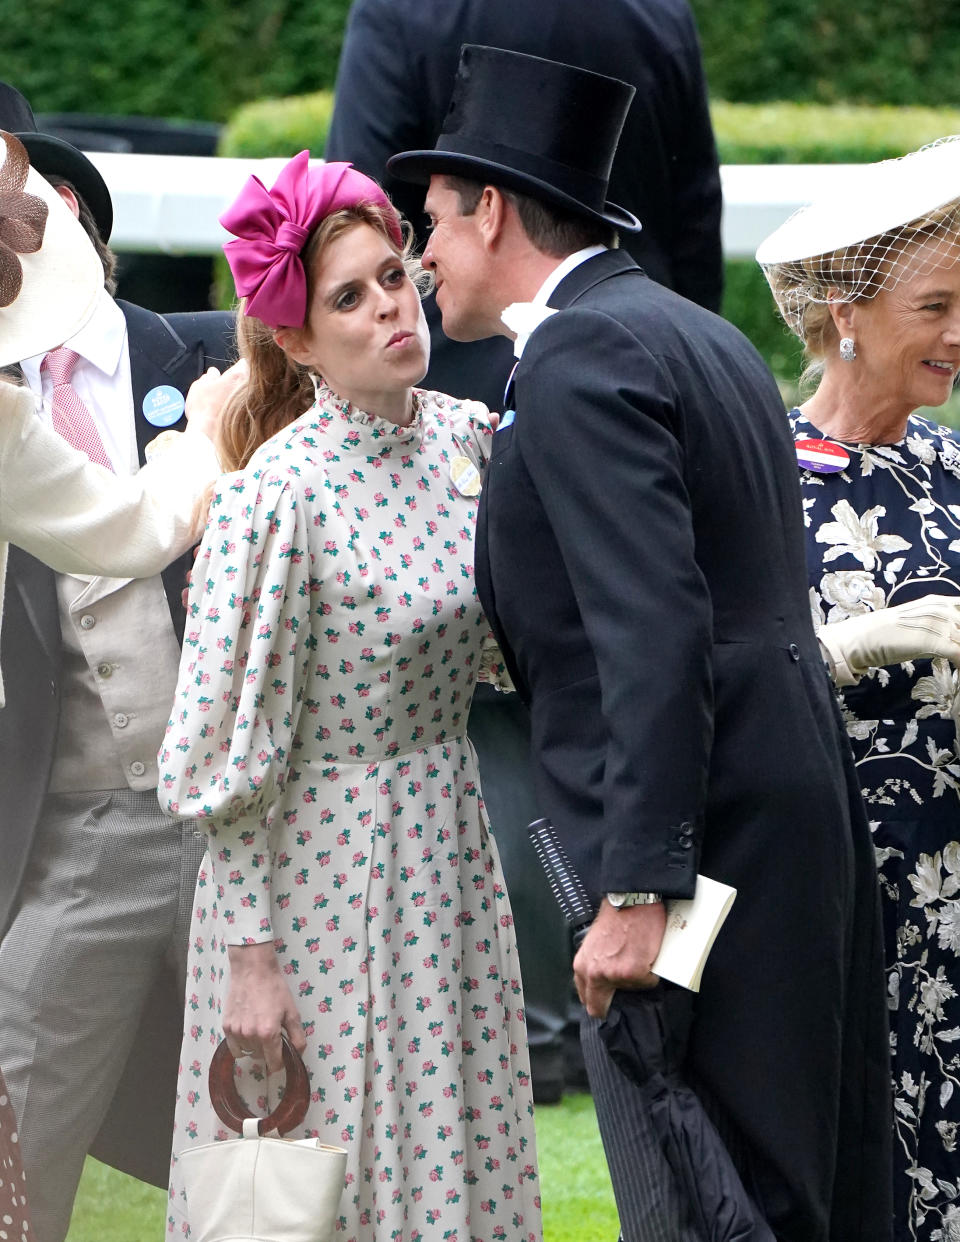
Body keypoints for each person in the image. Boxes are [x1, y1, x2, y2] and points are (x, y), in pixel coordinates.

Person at [388, 45, 892, 1242]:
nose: (422, 257)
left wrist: (637, 886)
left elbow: (650, 631)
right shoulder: (693, 333)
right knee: (798, 1178)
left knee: (709, 1194)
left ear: (493, 209)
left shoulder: (578, 355)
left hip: (701, 843)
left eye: (433, 225)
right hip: (786, 802)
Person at [325, 0, 723, 1103]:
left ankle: (539, 1024)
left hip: (463, 410)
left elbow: (357, 220)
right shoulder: (655, 13)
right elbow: (689, 217)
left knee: (497, 707)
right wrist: (669, 374)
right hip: (641, 382)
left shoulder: (402, 12)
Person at [158, 152, 541, 1242]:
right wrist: (249, 956)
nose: (389, 307)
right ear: (294, 341)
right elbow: (226, 753)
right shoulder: (276, 496)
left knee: (451, 1147)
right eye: (349, 298)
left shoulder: (471, 442)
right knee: (325, 1171)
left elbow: (520, 646)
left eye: (391, 277)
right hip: (314, 866)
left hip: (446, 842)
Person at [0, 83, 235, 1242]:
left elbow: (135, 536)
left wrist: (216, 430)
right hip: (61, 836)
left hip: (233, 820)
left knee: (284, 1133)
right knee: (17, 1136)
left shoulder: (213, 359)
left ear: (73, 217)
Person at [756, 136, 960, 1242]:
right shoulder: (761, 477)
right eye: (936, 306)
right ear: (846, 310)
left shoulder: (952, 470)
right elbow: (713, 678)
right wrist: (863, 643)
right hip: (837, 903)